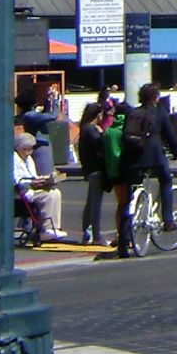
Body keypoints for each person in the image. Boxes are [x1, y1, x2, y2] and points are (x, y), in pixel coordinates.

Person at [114, 82, 177, 258]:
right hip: (154, 158)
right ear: (156, 97)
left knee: (128, 201)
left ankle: (123, 242)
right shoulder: (159, 113)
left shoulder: (133, 113)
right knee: (166, 179)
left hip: (132, 160)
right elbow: (170, 135)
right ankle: (168, 219)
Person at [13, 132, 65, 241]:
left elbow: (33, 175)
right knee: (48, 196)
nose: (29, 152)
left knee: (55, 192)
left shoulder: (29, 159)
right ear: (18, 148)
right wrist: (32, 182)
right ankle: (45, 229)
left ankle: (54, 227)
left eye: (31, 149)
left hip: (33, 188)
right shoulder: (14, 159)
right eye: (26, 149)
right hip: (23, 192)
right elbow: (16, 180)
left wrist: (44, 179)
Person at [75, 102, 111, 246]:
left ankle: (87, 233)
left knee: (91, 202)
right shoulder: (91, 130)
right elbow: (101, 145)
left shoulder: (84, 129)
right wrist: (102, 133)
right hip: (96, 168)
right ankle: (95, 235)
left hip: (89, 169)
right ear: (98, 115)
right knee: (96, 203)